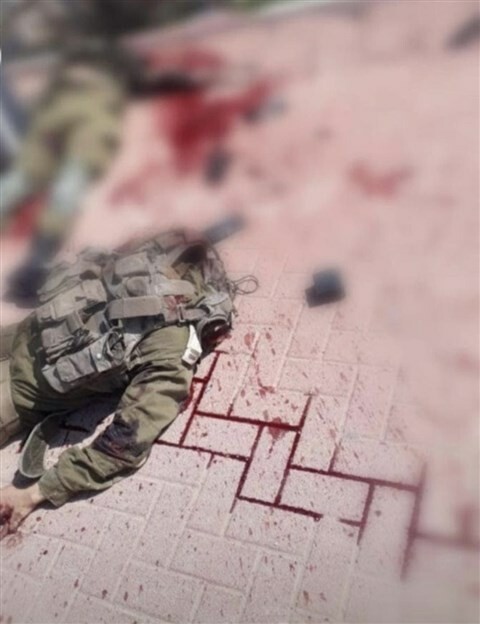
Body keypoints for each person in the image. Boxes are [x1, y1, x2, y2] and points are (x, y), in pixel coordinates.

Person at [0, 227, 245, 539]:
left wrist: (33, 493)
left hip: (16, 391)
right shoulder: (151, 266)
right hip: (18, 338)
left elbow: (123, 446)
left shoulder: (168, 344)